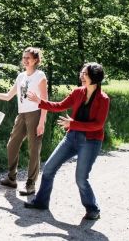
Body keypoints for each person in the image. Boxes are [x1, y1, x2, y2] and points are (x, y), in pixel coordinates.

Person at [24, 62, 110, 221]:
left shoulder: (103, 99)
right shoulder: (78, 92)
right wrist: (39, 101)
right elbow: (60, 106)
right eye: (82, 73)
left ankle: (93, 209)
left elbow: (98, 125)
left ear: (95, 77)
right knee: (48, 168)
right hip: (72, 137)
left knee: (81, 178)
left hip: (90, 142)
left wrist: (73, 124)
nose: (82, 76)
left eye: (85, 74)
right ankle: (41, 202)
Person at [0, 47, 48, 195]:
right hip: (21, 115)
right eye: (24, 57)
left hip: (35, 114)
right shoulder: (20, 76)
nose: (25, 60)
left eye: (28, 58)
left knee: (34, 149)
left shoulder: (40, 76)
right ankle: (11, 178)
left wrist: (41, 122)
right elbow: (9, 96)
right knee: (11, 145)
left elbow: (45, 101)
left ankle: (31, 183)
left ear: (35, 60)